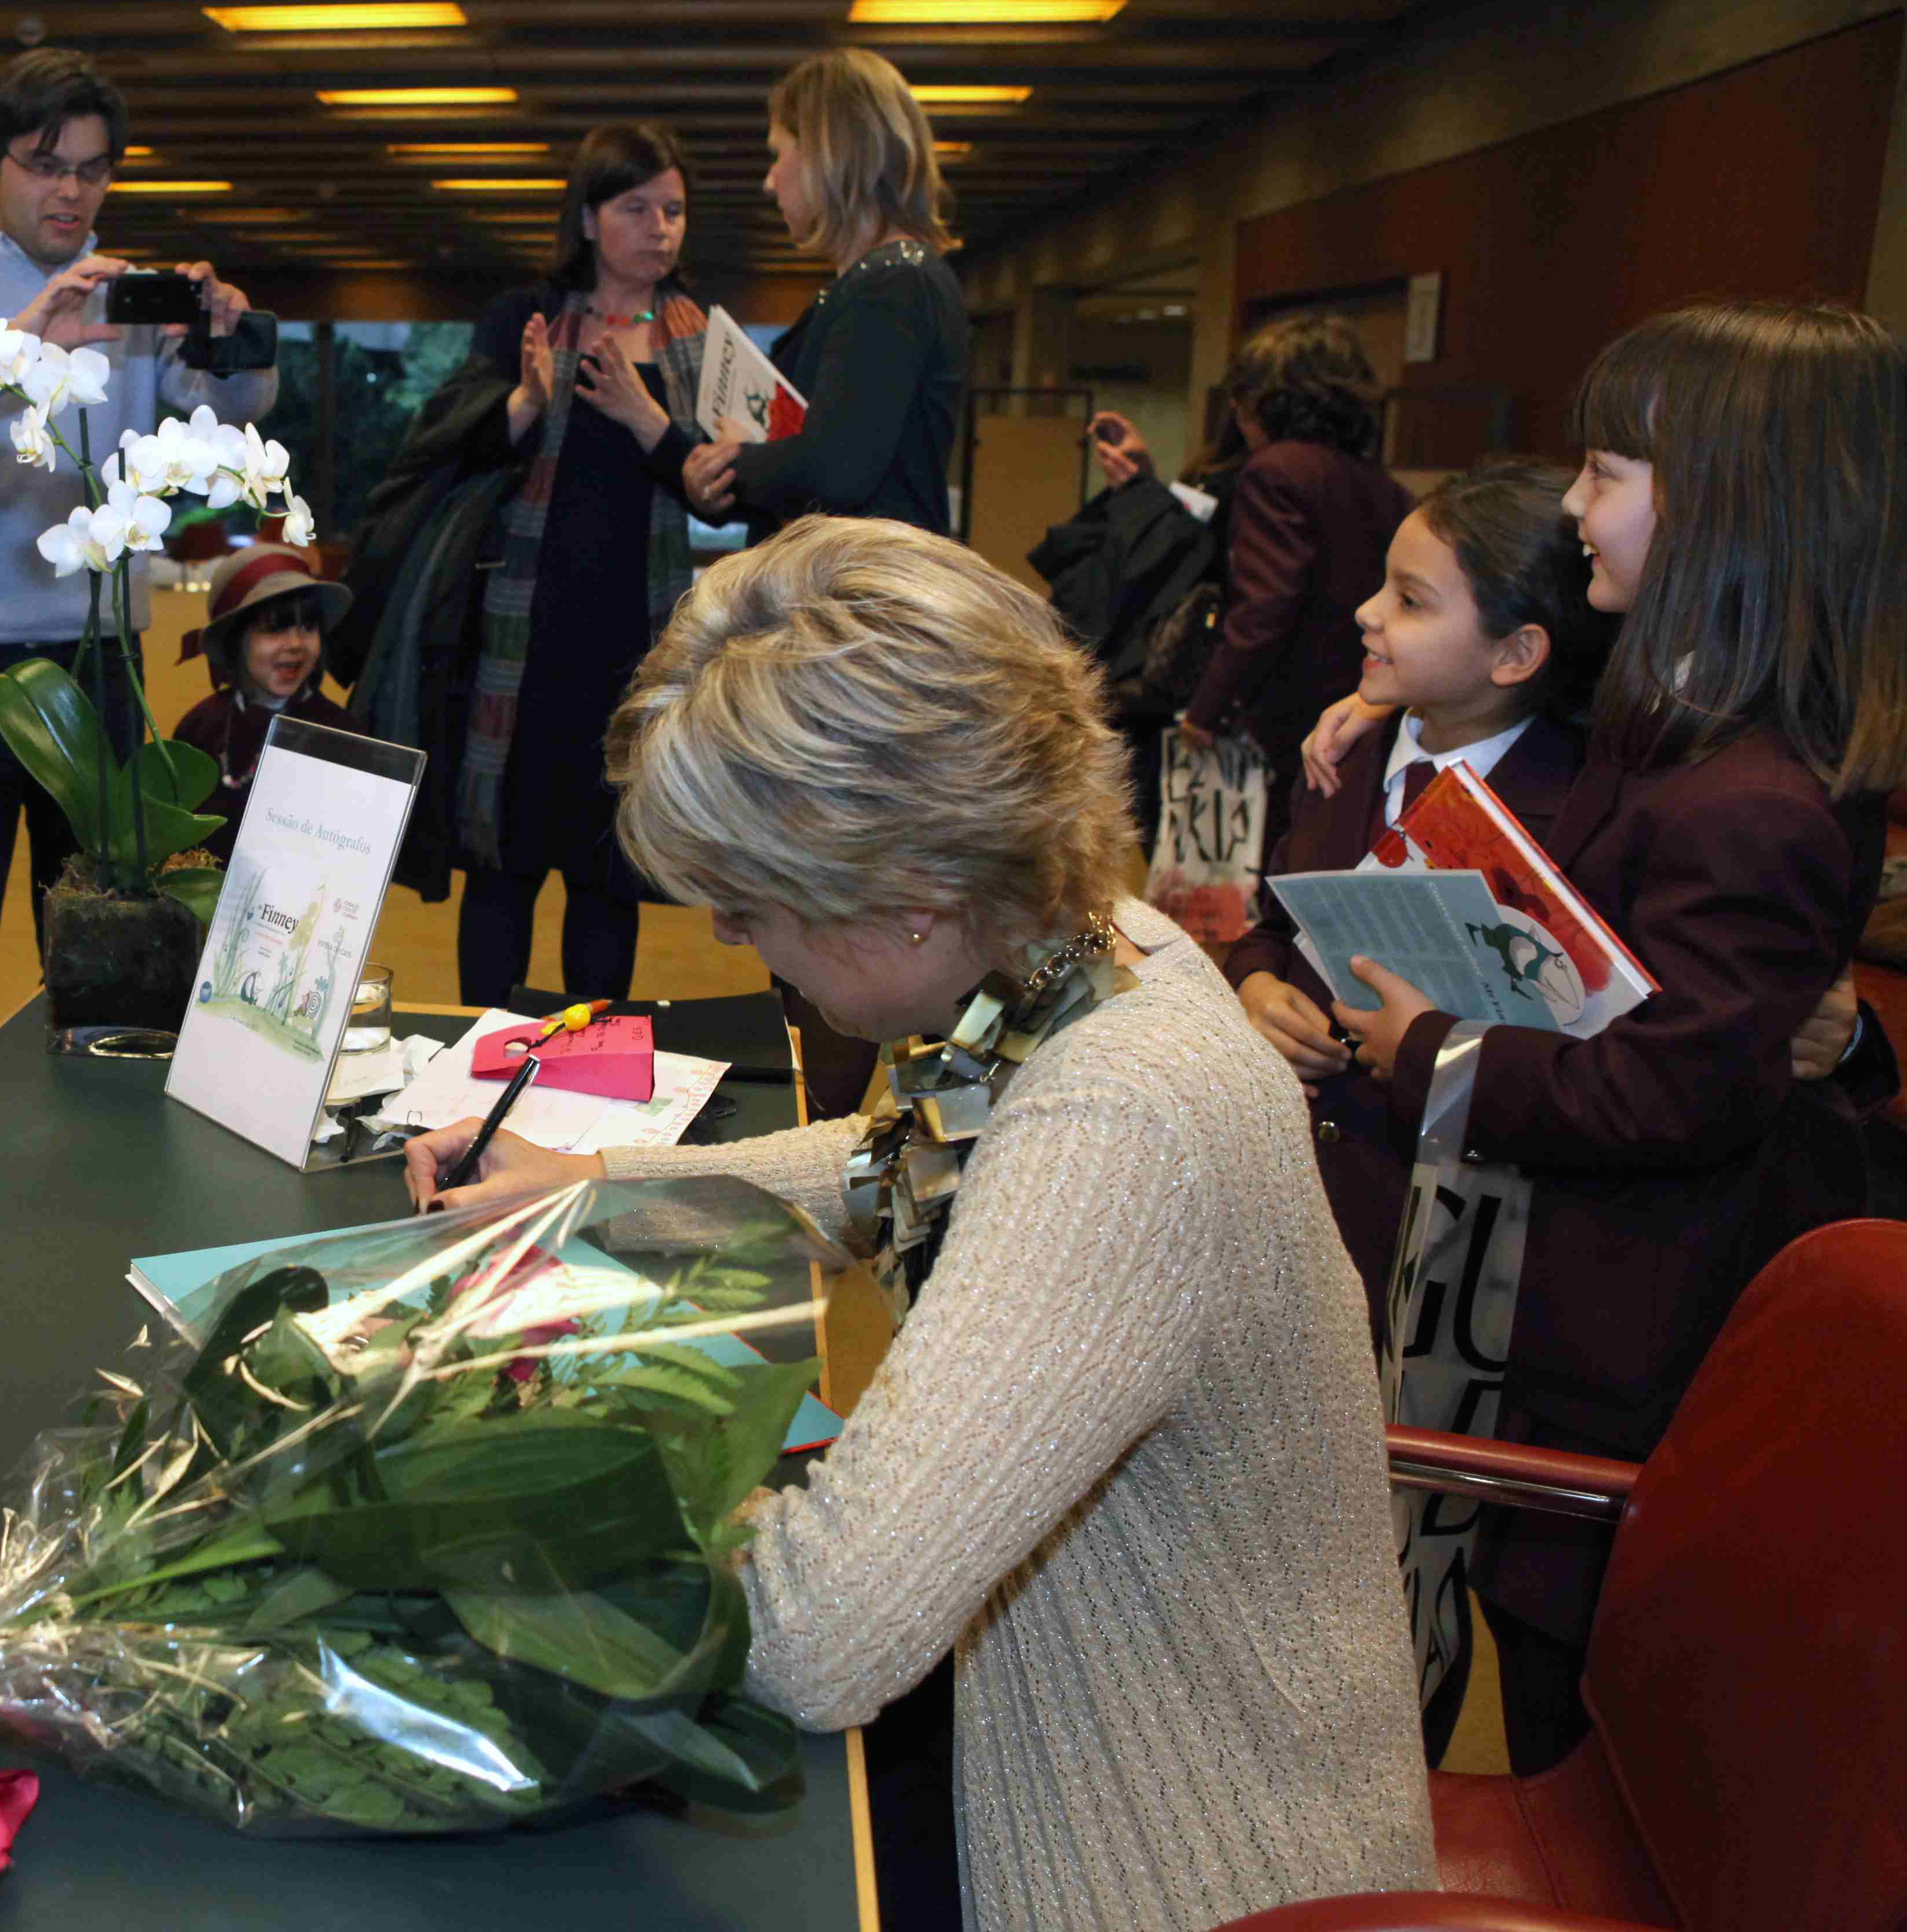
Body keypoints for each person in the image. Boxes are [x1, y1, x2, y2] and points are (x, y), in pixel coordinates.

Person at [404, 518, 1435, 1928]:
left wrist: (486, 1490)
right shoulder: (1092, 948)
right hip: (1033, 1711)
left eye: (750, 905)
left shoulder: (1119, 1120)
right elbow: (899, 1165)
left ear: (908, 899)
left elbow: (815, 1633)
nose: (734, 940)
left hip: (1162, 1852)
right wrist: (597, 1187)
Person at [1328, 302, 1906, 1774]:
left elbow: (1665, 1094)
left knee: (1584, 1713)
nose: (1576, 506)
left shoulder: (1751, 798)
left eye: (1604, 472)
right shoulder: (1684, 735)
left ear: (1721, 504)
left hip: (1635, 1328)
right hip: (1580, 1304)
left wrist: (1429, 1046)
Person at [0, 48, 274, 1062]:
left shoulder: (128, 296)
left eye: (92, 171)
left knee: (104, 931)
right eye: (46, 165)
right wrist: (28, 333)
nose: (70, 192)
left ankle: (91, 1122)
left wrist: (227, 340)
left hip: (98, 650)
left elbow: (228, 411)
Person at [1220, 460, 1609, 1349]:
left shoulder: (1576, 815)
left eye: (1410, 601)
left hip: (1441, 1237)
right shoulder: (1347, 753)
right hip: (1289, 1197)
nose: (1367, 613)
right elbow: (1276, 925)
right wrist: (1257, 987)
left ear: (1516, 654)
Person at [436, 122, 712, 1006]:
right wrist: (524, 401)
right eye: (637, 208)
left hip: (635, 650)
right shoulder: (524, 318)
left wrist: (646, 419)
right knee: (502, 874)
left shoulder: (702, 341)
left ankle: (593, 1064)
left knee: (607, 883)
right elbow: (453, 451)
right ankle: (478, 1058)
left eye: (673, 210)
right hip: (519, 649)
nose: (660, 228)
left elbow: (723, 492)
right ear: (589, 218)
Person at [1103, 314, 1410, 853]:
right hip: (1349, 700)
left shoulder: (1275, 472)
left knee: (1237, 858)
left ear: (1266, 401)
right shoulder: (1378, 482)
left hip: (1277, 711)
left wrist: (1208, 710)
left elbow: (1265, 606)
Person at [678, 49, 964, 540]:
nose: (769, 182)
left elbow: (838, 471)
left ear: (827, 155)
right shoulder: (877, 282)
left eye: (778, 154)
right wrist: (724, 477)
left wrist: (737, 461)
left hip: (864, 581)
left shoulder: (892, 284)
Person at [168, 542, 360, 837]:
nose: (296, 644)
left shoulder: (342, 733)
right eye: (275, 629)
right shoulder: (200, 727)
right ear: (235, 640)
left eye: (309, 627)